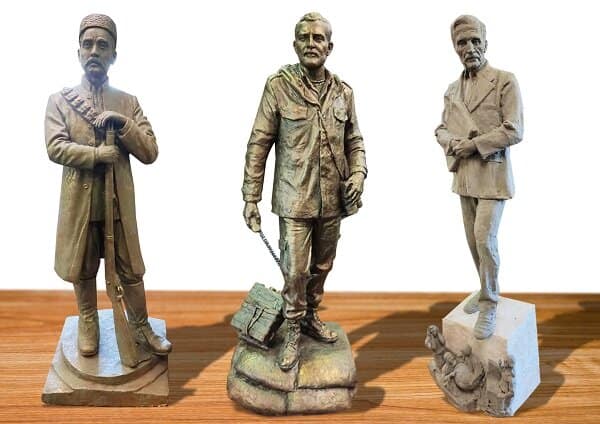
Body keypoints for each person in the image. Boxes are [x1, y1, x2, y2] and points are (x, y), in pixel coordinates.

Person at [242, 12, 367, 370]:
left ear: (330, 46)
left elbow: (355, 140)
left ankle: (311, 314)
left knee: (323, 264)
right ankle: (293, 327)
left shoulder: (343, 92)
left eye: (318, 38)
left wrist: (358, 175)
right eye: (304, 38)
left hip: (333, 199)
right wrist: (251, 197)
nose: (311, 44)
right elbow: (259, 143)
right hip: (294, 198)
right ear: (295, 44)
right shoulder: (278, 86)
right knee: (295, 270)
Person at [45, 14, 171, 357]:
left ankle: (140, 324)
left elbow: (150, 151)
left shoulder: (128, 102)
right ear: (78, 52)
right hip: (80, 205)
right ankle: (88, 319)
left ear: (114, 54)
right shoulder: (60, 101)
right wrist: (96, 154)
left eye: (102, 45)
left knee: (131, 270)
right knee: (82, 268)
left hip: (117, 204)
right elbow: (55, 146)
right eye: (87, 44)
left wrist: (124, 124)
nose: (94, 51)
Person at [435, 15, 523, 339]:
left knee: (485, 239)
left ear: (485, 43)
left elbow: (514, 129)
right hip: (465, 177)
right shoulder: (452, 91)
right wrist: (451, 143)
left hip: (492, 175)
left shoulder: (504, 81)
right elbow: (441, 128)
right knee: (473, 242)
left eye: (475, 40)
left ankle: (489, 303)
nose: (470, 47)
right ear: (455, 48)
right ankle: (486, 288)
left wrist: (473, 144)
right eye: (462, 42)